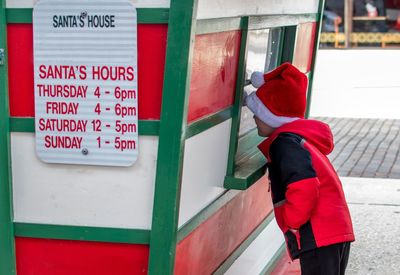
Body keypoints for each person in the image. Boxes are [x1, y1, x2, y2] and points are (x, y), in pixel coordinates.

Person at [244, 63, 355, 275]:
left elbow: (304, 186)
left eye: (257, 112)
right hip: (333, 231)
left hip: (318, 236)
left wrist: (292, 220)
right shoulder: (298, 140)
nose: (255, 118)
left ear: (271, 117)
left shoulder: (284, 144)